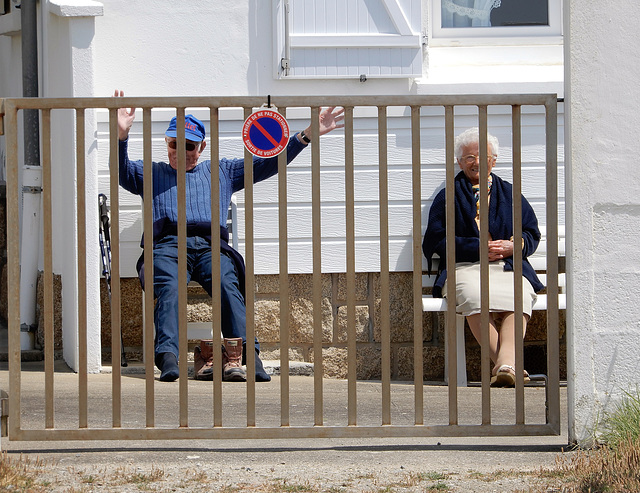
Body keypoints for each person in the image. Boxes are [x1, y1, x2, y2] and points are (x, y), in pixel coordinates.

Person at [113, 90, 345, 382]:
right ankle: (168, 357)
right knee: (169, 286)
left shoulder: (222, 170)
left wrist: (306, 135)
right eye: (174, 143)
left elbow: (266, 164)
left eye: (189, 145)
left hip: (211, 246)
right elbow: (120, 172)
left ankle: (248, 354)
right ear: (167, 143)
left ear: (202, 147)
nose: (180, 151)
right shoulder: (151, 172)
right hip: (168, 246)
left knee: (226, 281)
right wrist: (121, 137)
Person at [422, 127, 544, 387]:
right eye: (469, 158)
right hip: (464, 267)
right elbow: (436, 240)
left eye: (483, 156)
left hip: (508, 266)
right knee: (474, 296)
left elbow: (531, 233)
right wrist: (475, 247)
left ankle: (504, 365)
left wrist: (514, 247)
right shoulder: (448, 196)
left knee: (519, 293)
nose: (477, 162)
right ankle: (510, 365)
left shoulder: (510, 193)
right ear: (459, 162)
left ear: (494, 160)